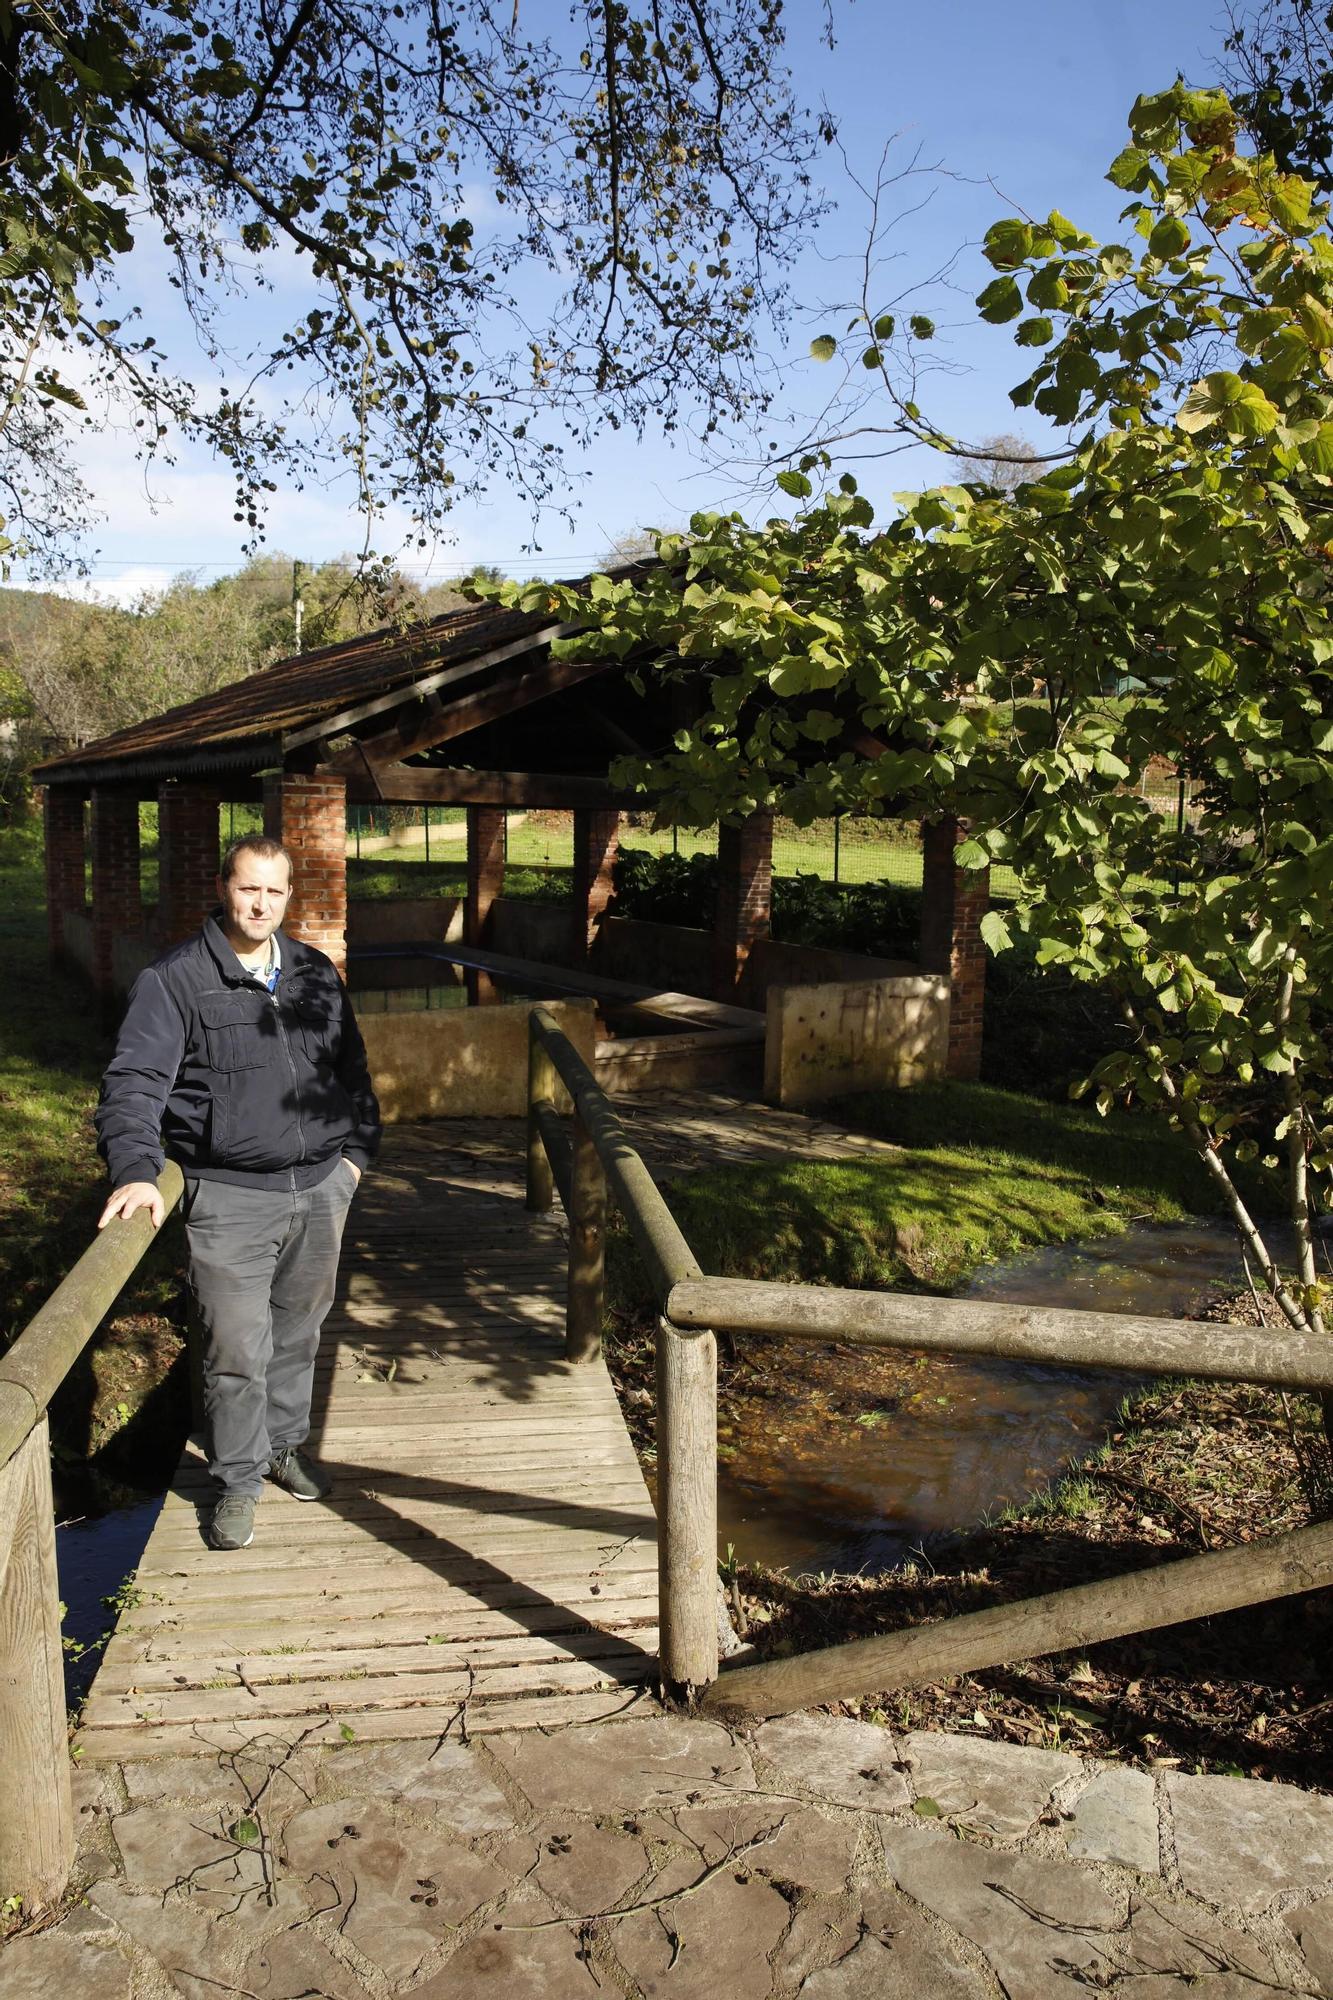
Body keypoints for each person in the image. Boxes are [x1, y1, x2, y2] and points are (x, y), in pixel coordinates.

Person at [95, 833, 381, 1552]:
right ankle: (238, 1480)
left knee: (299, 1332)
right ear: (224, 888)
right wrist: (135, 1169)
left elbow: (353, 1069)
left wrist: (355, 1156)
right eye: (248, 888)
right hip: (227, 1197)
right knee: (233, 1347)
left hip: (320, 1188)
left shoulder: (314, 972)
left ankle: (284, 1447)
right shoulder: (175, 980)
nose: (261, 903)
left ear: (290, 897)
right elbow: (133, 1085)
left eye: (274, 891)